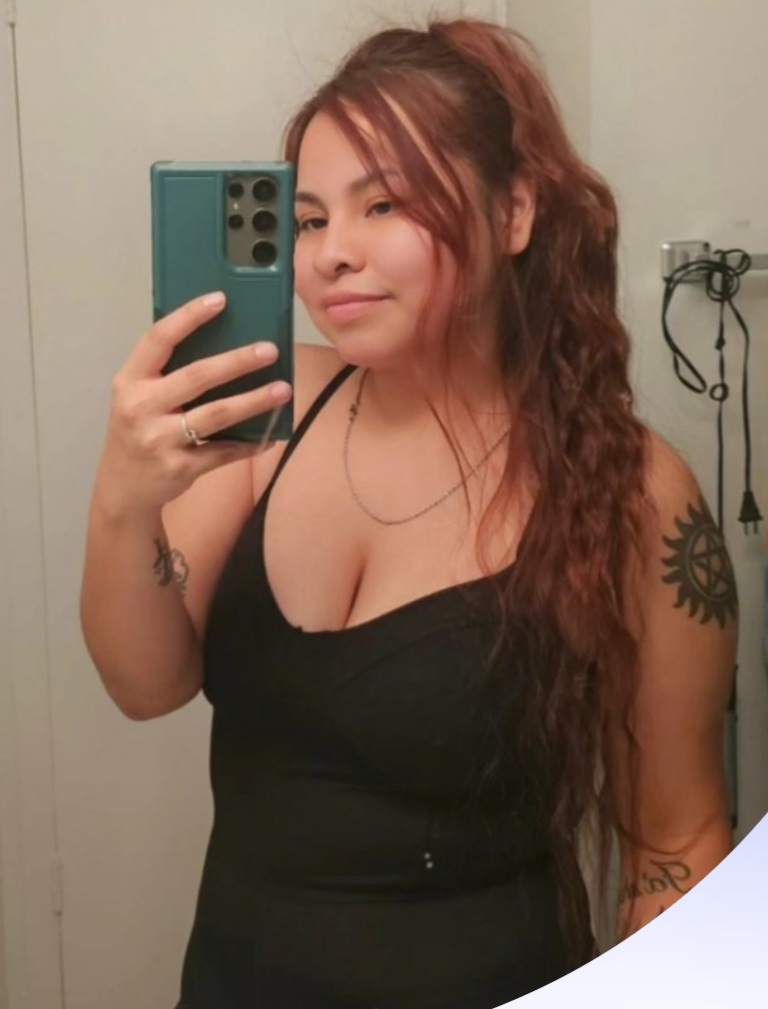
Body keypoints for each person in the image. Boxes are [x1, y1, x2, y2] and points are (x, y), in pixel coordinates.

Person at [80, 17, 737, 1009]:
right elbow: (145, 682)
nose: (331, 254)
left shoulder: (632, 491)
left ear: (513, 212)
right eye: (309, 220)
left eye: (383, 204)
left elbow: (678, 842)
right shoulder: (265, 413)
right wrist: (124, 503)